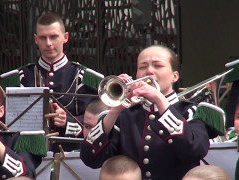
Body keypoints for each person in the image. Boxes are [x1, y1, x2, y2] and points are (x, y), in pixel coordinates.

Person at [80, 45, 210, 180]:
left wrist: (160, 100)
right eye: (142, 67)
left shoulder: (191, 112)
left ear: (174, 76)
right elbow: (90, 159)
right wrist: (115, 110)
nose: (149, 71)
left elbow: (195, 150)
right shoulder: (125, 116)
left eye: (158, 66)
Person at [2, 12, 103, 152]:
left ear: (65, 37)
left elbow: (99, 122)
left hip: (73, 156)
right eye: (43, 38)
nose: (48, 43)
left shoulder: (84, 78)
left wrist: (68, 122)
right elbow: (5, 124)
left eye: (54, 37)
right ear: (36, 40)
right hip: (30, 157)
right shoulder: (20, 78)